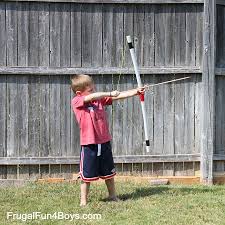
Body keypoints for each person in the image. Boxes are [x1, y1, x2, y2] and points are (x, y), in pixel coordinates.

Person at [71, 74, 145, 206]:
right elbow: (93, 96)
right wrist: (109, 92)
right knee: (86, 176)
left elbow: (119, 96)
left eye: (93, 88)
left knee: (109, 173)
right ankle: (83, 200)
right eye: (90, 89)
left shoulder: (99, 100)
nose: (93, 91)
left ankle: (112, 196)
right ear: (79, 92)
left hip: (104, 141)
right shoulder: (76, 101)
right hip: (89, 144)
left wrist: (136, 92)